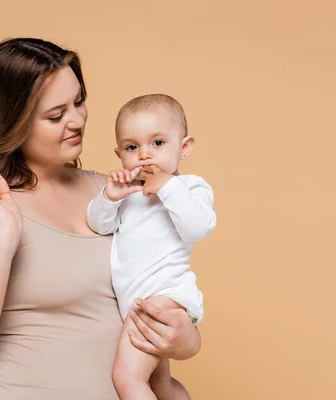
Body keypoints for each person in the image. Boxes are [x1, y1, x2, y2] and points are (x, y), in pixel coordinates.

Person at [0, 38, 202, 400]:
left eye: (79, 101)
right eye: (55, 115)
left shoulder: (116, 192)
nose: (76, 120)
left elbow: (166, 285)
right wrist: (4, 237)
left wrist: (186, 340)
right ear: (12, 120)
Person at [87, 94, 216, 399]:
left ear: (183, 147)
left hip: (164, 297)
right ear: (120, 154)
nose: (145, 155)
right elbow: (98, 224)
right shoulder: (129, 194)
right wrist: (109, 197)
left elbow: (200, 226)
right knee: (160, 385)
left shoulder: (189, 187)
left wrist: (168, 186)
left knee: (126, 377)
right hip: (137, 301)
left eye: (158, 143)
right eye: (133, 147)